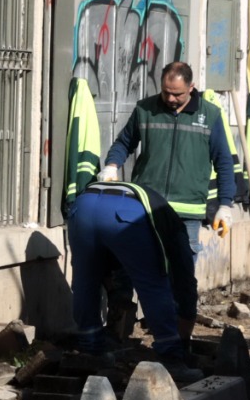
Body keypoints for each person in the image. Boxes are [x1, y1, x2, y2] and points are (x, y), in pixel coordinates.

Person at [58, 73, 191, 364]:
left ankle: (90, 342)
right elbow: (177, 272)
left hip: (84, 205)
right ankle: (170, 350)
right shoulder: (171, 224)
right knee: (152, 282)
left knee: (85, 280)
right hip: (124, 216)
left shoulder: (153, 206)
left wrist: (111, 165)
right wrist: (184, 312)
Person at [103, 61, 244, 330]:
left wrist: (226, 204)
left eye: (177, 93)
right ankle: (118, 329)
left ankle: (178, 340)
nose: (170, 98)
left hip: (186, 213)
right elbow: (124, 143)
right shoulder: (145, 109)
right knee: (126, 268)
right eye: (166, 92)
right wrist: (112, 165)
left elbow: (224, 162)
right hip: (144, 207)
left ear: (191, 88)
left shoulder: (210, 115)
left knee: (182, 277)